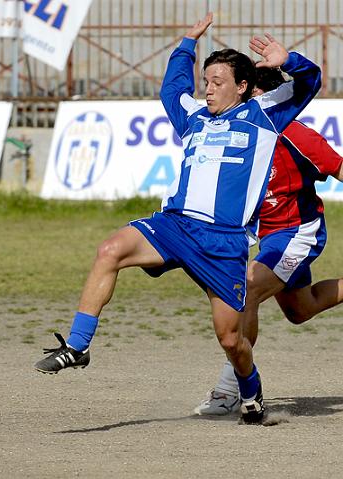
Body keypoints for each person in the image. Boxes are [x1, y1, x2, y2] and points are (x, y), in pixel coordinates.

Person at [33, 12, 322, 425]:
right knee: (110, 249)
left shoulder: (264, 116)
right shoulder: (193, 117)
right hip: (174, 226)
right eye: (206, 82)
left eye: (218, 83)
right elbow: (174, 86)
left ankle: (251, 390)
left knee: (231, 339)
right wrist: (186, 44)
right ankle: (78, 344)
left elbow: (309, 82)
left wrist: (288, 59)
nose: (208, 90)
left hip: (223, 243)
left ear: (243, 87)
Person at [194, 66, 343, 416]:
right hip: (269, 238)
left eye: (251, 97)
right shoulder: (240, 133)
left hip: (298, 233)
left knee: (247, 287)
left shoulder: (294, 134)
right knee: (299, 310)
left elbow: (339, 167)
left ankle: (233, 388)